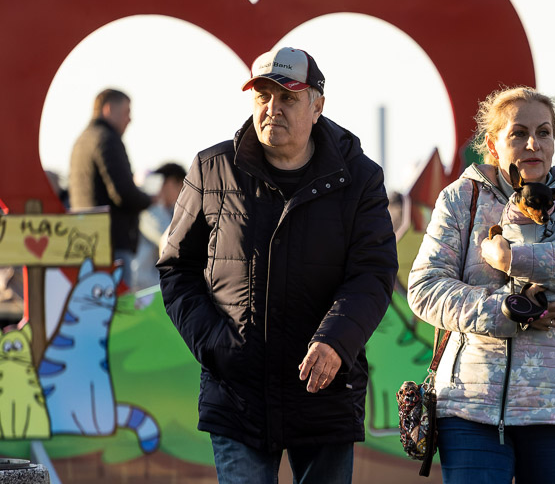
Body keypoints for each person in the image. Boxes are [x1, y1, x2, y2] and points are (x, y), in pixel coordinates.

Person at [158, 46, 397, 484]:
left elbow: (373, 273)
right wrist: (216, 345)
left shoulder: (361, 178)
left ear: (317, 107)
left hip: (324, 391)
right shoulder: (212, 169)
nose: (273, 108)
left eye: (288, 97)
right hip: (237, 395)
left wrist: (336, 342)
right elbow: (177, 268)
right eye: (263, 96)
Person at [407, 87, 555, 484]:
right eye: (518, 133)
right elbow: (425, 288)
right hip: (471, 407)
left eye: (544, 132)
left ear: (554, 141)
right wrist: (508, 309)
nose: (532, 144)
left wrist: (514, 259)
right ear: (492, 144)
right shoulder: (460, 199)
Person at [69, 89, 152, 287]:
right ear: (108, 109)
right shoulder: (107, 139)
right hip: (112, 244)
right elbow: (123, 193)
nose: (129, 119)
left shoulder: (82, 141)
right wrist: (150, 199)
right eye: (126, 112)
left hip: (87, 242)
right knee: (119, 303)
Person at [131, 162, 186, 308]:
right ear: (169, 183)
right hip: (145, 287)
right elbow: (171, 241)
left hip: (154, 286)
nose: (184, 194)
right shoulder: (150, 209)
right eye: (182, 186)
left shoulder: (167, 210)